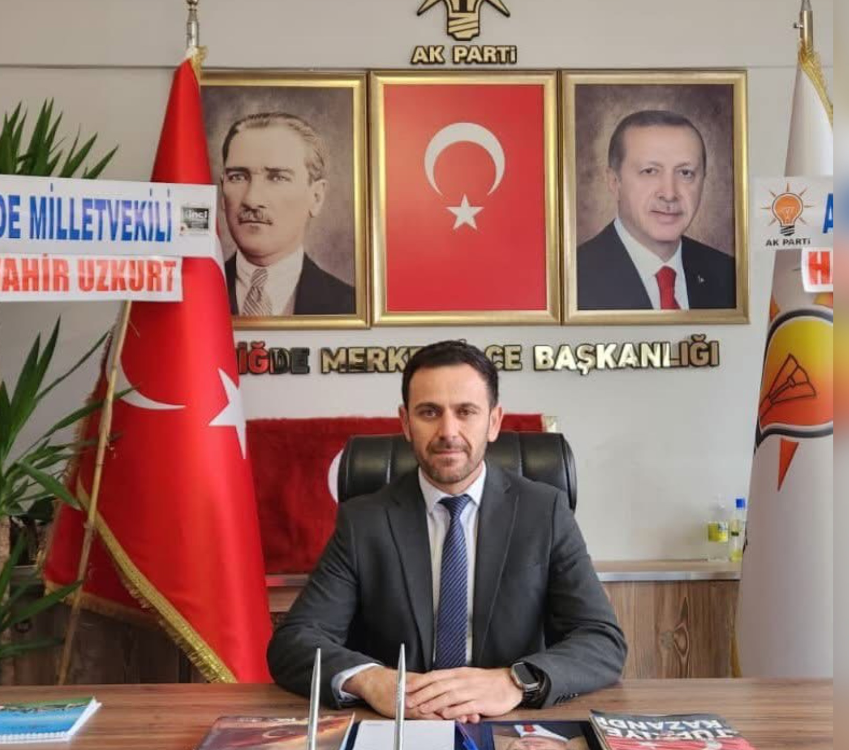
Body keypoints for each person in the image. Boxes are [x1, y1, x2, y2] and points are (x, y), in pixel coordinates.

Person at [267, 341, 626, 719]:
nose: (448, 431)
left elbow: (601, 640)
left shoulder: (545, 512)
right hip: (400, 722)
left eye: (466, 412)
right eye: (429, 412)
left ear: (494, 422)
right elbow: (295, 641)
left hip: (510, 720)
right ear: (405, 423)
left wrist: (514, 681)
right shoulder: (364, 521)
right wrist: (370, 680)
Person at [576, 109, 736, 311]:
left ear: (703, 180)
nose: (669, 194)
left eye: (685, 173)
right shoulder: (574, 278)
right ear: (615, 182)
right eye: (650, 171)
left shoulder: (730, 275)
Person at [219, 112, 355, 317]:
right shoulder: (190, 298)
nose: (252, 200)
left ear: (316, 197)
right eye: (238, 177)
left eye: (277, 178)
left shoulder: (349, 306)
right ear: (222, 191)